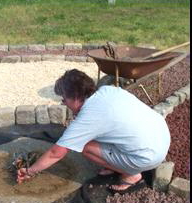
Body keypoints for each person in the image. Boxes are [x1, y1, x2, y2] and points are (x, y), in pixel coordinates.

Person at [17, 69, 170, 193]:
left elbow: (56, 153)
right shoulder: (107, 90)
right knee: (97, 137)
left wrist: (31, 171)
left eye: (64, 99)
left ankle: (131, 174)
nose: (63, 103)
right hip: (161, 138)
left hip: (147, 157)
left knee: (84, 146)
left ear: (75, 97)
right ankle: (117, 164)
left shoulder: (88, 117)